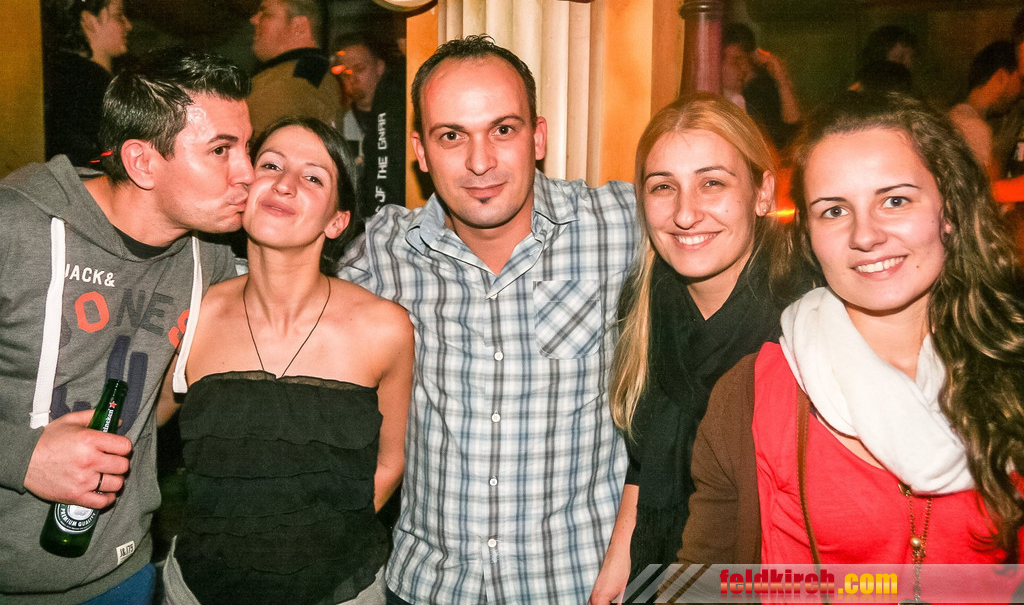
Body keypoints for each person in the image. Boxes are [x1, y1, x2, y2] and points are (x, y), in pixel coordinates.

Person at [337, 35, 639, 604]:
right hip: (427, 587)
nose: (480, 162)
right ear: (421, 152)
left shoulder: (619, 225)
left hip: (577, 587)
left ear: (538, 138)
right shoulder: (384, 250)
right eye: (452, 136)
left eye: (503, 130)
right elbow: (282, 301)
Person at [681, 92, 1024, 590]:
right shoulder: (752, 395)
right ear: (807, 234)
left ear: (948, 210)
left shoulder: (1010, 361)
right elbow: (704, 587)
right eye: (835, 211)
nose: (866, 235)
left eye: (895, 200)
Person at [0, 48, 253, 604]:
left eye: (247, 147)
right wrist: (22, 456)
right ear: (142, 162)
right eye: (220, 150)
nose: (247, 173)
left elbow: (167, 395)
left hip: (124, 572)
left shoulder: (208, 257)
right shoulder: (15, 227)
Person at [158, 117, 413, 605]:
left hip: (339, 592)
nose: (284, 183)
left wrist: (318, 546)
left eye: (313, 177)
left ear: (337, 221)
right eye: (271, 165)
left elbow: (390, 460)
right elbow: (138, 429)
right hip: (198, 589)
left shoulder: (384, 328)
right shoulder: (195, 314)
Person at [588, 94, 779, 604]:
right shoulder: (647, 302)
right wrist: (619, 565)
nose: (686, 213)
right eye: (663, 187)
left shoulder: (799, 322)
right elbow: (646, 455)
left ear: (762, 193)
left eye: (712, 183)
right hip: (658, 571)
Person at [41, 0, 133, 167]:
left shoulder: (64, 81)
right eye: (118, 16)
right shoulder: (94, 90)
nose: (128, 25)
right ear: (89, 20)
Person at [247, 0, 343, 136]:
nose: (253, 20)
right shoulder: (311, 75)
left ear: (299, 26)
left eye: (266, 14)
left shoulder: (289, 81)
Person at [333, 33, 407, 217]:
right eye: (344, 72)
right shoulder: (339, 123)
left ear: (379, 67)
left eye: (359, 68)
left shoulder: (398, 117)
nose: (352, 77)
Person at [948, 40, 1021, 183]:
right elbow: (989, 190)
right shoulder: (975, 128)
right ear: (1001, 77)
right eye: (1021, 80)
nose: (1021, 91)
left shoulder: (956, 116)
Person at [721, 23, 801, 152]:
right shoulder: (716, 104)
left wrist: (782, 81)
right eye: (736, 60)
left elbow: (792, 134)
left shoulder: (751, 98)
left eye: (745, 60)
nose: (743, 67)